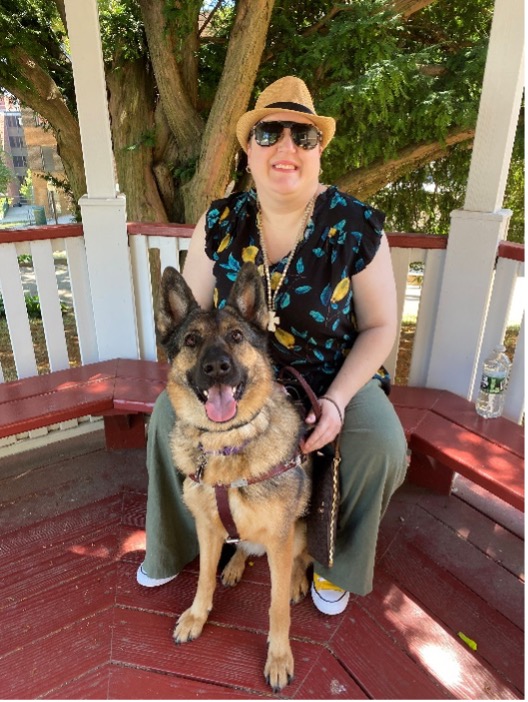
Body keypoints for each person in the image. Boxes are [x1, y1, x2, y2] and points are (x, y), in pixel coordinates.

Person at [137, 76, 408, 616]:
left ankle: (333, 562)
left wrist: (335, 400)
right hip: (233, 371)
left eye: (302, 136)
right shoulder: (220, 221)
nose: (286, 147)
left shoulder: (356, 225)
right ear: (248, 150)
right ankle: (178, 544)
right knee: (166, 419)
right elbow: (189, 312)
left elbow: (381, 327)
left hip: (334, 373)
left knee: (381, 446)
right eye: (269, 133)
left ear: (319, 151)